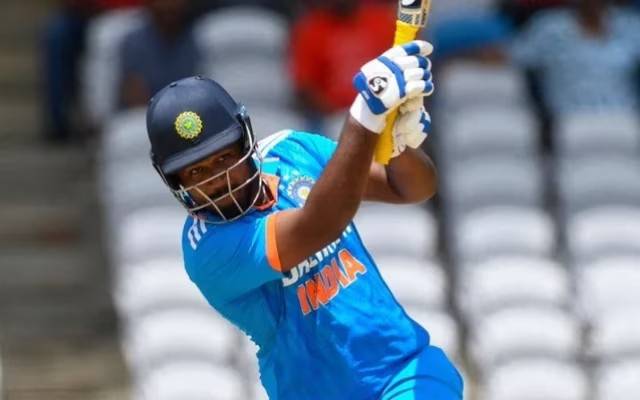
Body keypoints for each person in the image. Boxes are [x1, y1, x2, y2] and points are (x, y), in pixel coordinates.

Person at [146, 40, 463, 399]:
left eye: (223, 158)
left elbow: (408, 188)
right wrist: (365, 115)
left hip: (402, 369)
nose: (218, 179)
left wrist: (399, 145)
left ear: (245, 139)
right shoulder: (207, 249)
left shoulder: (292, 151)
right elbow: (320, 225)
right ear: (173, 180)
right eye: (196, 171)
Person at [509, 0, 640, 119]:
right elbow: (513, 57)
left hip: (625, 117)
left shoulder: (631, 24)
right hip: (566, 119)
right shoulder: (548, 26)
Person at [118, 0, 201, 110]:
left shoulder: (199, 39)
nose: (168, 5)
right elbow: (136, 100)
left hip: (191, 113)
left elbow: (203, 90)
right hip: (146, 114)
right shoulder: (134, 43)